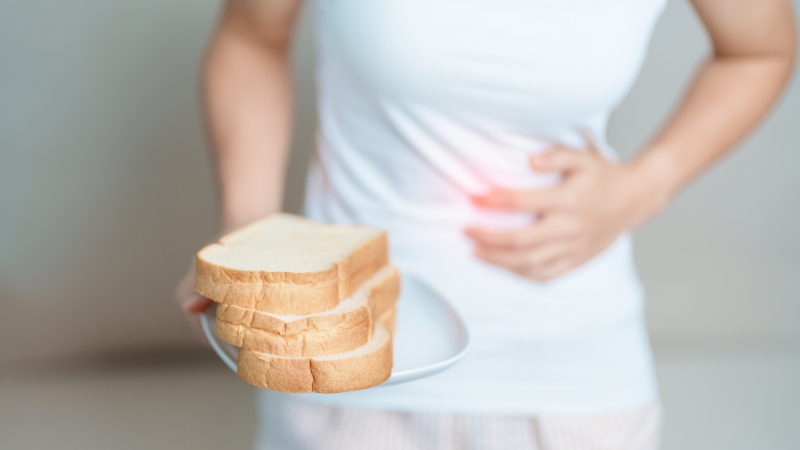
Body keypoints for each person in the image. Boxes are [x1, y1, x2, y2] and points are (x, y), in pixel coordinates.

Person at [175, 0, 796, 448]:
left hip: (577, 390)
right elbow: (250, 37)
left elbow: (764, 44)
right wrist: (250, 237)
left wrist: (644, 186)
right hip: (344, 395)